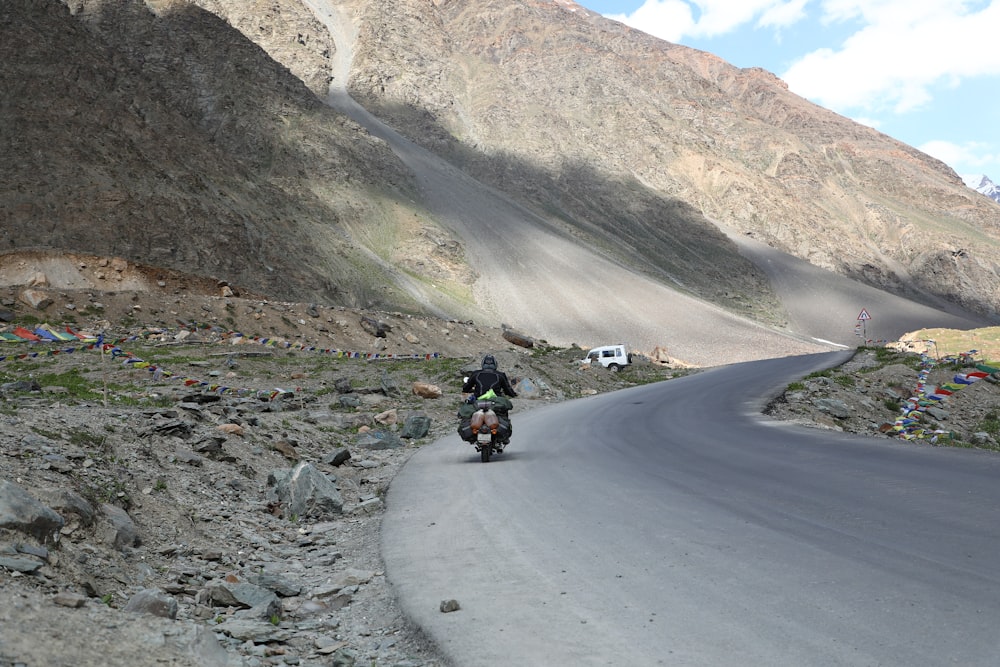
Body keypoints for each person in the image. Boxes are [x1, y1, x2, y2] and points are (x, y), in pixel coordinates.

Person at [462, 354, 517, 444]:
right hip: (495, 402)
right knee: (503, 413)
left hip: (478, 401)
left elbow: (466, 388)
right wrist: (513, 394)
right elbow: (508, 389)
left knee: (469, 412)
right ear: (495, 364)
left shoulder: (476, 374)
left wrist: (469, 389)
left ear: (482, 364)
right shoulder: (500, 375)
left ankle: (473, 434)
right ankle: (504, 437)